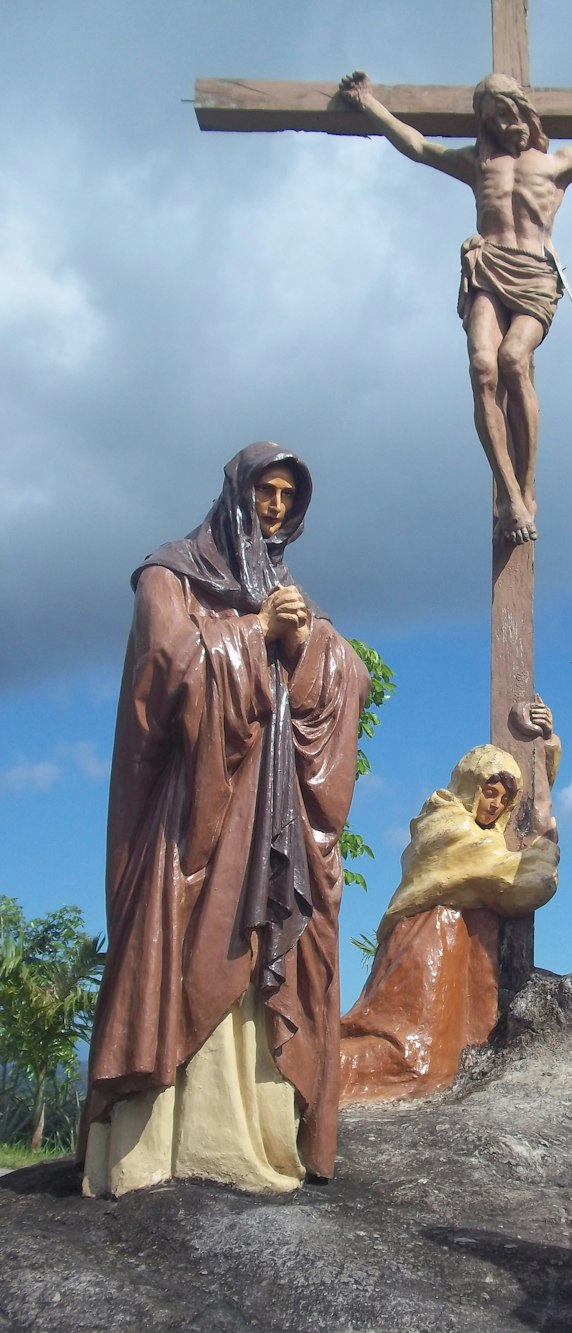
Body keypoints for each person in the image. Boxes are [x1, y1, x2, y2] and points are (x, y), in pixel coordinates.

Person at [81, 443, 370, 1196]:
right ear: (237, 491)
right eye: (265, 491)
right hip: (195, 825)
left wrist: (305, 643)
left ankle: (258, 1136)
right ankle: (161, 1143)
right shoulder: (168, 575)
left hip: (271, 820)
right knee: (186, 952)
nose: (275, 507)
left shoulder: (289, 590)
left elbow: (348, 675)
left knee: (264, 954)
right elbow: (169, 669)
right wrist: (253, 635)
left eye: (287, 496)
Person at [338, 70, 572, 545]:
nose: (502, 122)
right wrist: (368, 103)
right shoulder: (478, 163)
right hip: (487, 266)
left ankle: (528, 487)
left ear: (522, 111)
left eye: (506, 112)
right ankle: (509, 494)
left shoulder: (558, 164)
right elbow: (418, 146)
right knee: (482, 366)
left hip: (535, 273)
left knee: (515, 359)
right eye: (491, 116)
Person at [340, 702, 560, 1102]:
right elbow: (525, 880)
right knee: (408, 1055)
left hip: (455, 943)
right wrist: (547, 840)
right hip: (427, 942)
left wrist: (545, 753)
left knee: (436, 1064)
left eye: (502, 801)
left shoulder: (484, 837)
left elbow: (518, 851)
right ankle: (307, 1074)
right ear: (470, 786)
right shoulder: (448, 826)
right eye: (488, 793)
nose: (493, 806)